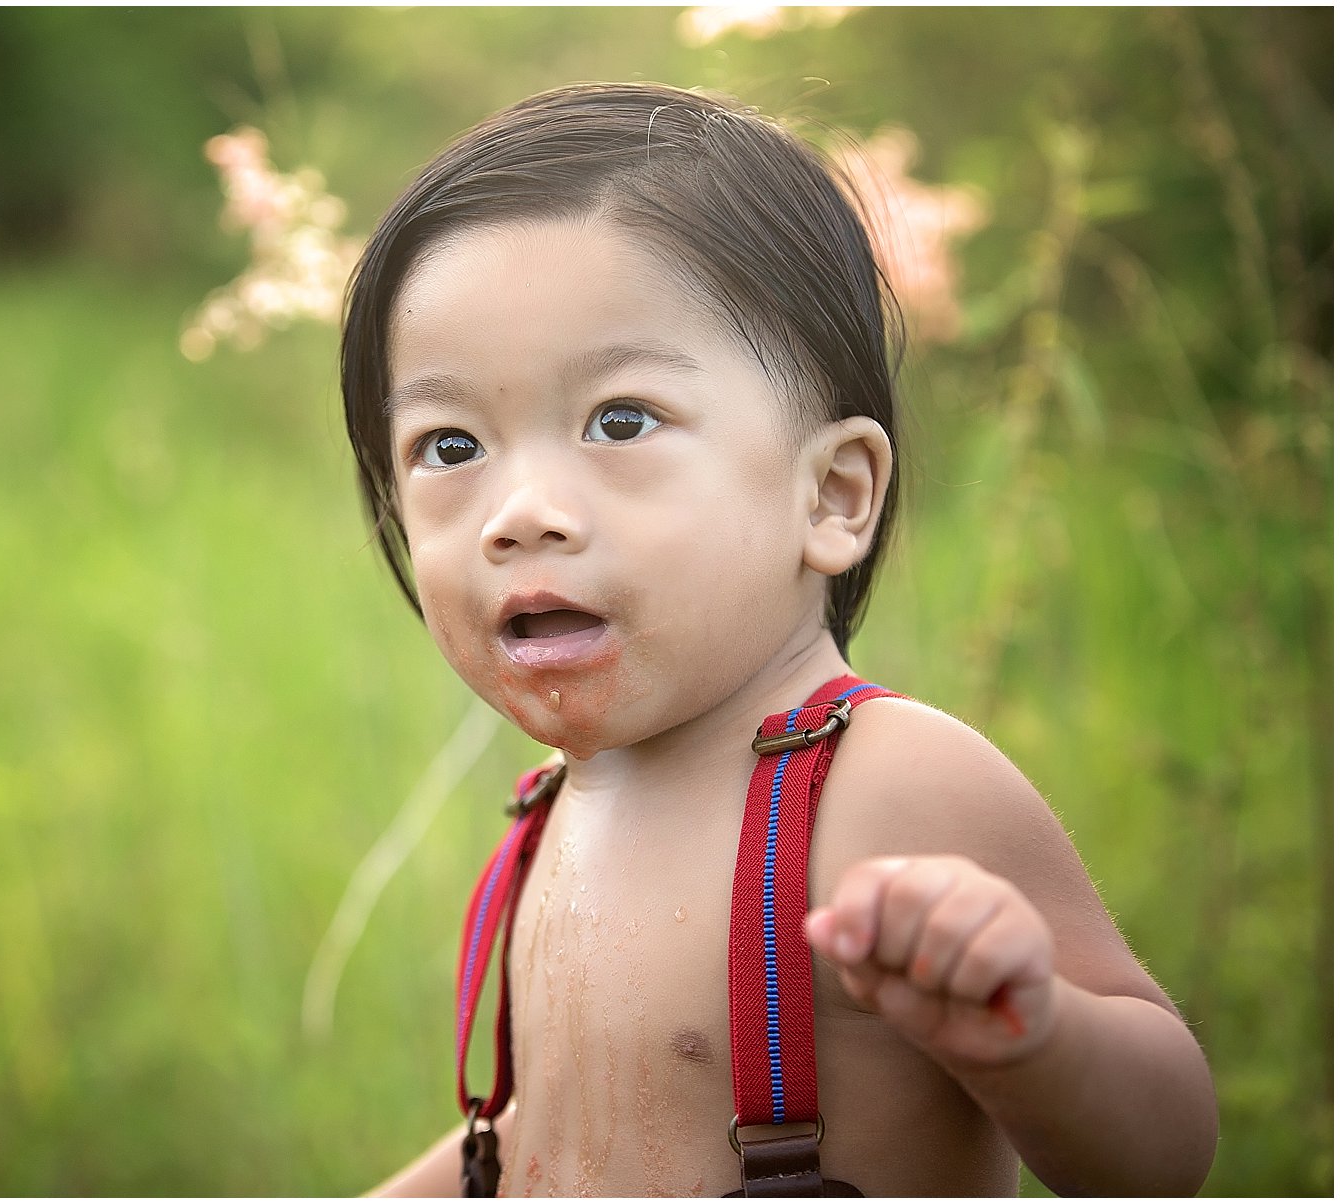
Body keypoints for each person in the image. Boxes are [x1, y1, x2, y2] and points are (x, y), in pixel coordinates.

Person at [339, 82, 1217, 1197]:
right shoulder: (559, 804)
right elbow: (538, 1138)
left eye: (619, 420)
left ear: (833, 494)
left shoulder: (890, 783)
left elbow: (1172, 1147)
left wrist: (1036, 1031)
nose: (520, 511)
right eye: (450, 443)